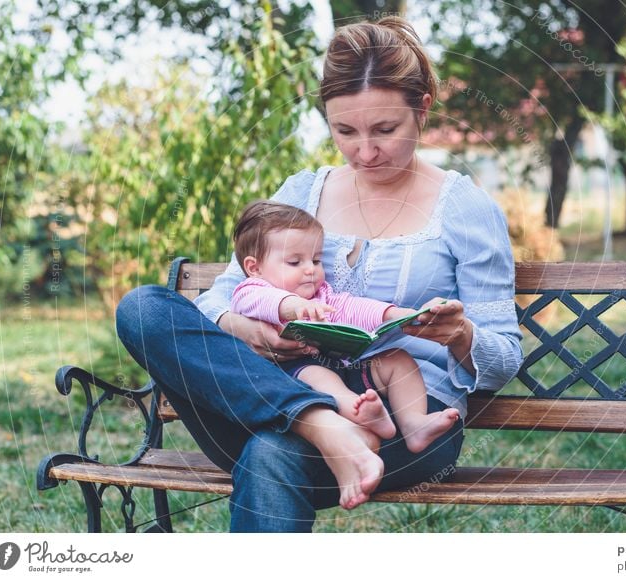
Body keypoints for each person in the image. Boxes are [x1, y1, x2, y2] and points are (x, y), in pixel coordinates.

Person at [115, 16, 523, 532]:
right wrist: (252, 330)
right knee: (143, 308)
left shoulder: (463, 207)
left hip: (402, 421)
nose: (365, 152)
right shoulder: (302, 191)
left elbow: (504, 356)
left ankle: (321, 427)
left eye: (385, 130)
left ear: (422, 110)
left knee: (270, 454)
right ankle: (323, 424)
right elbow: (219, 300)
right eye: (345, 131)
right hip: (272, 390)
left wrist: (462, 335)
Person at [229, 200, 461, 466]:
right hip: (290, 376)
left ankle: (414, 424)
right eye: (295, 262)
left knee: (397, 360)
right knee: (320, 375)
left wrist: (397, 315)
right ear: (254, 267)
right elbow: (262, 302)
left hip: (342, 365)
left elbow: (354, 307)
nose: (310, 269)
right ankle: (361, 413)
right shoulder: (249, 291)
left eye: (316, 260)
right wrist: (294, 307)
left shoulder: (321, 295)